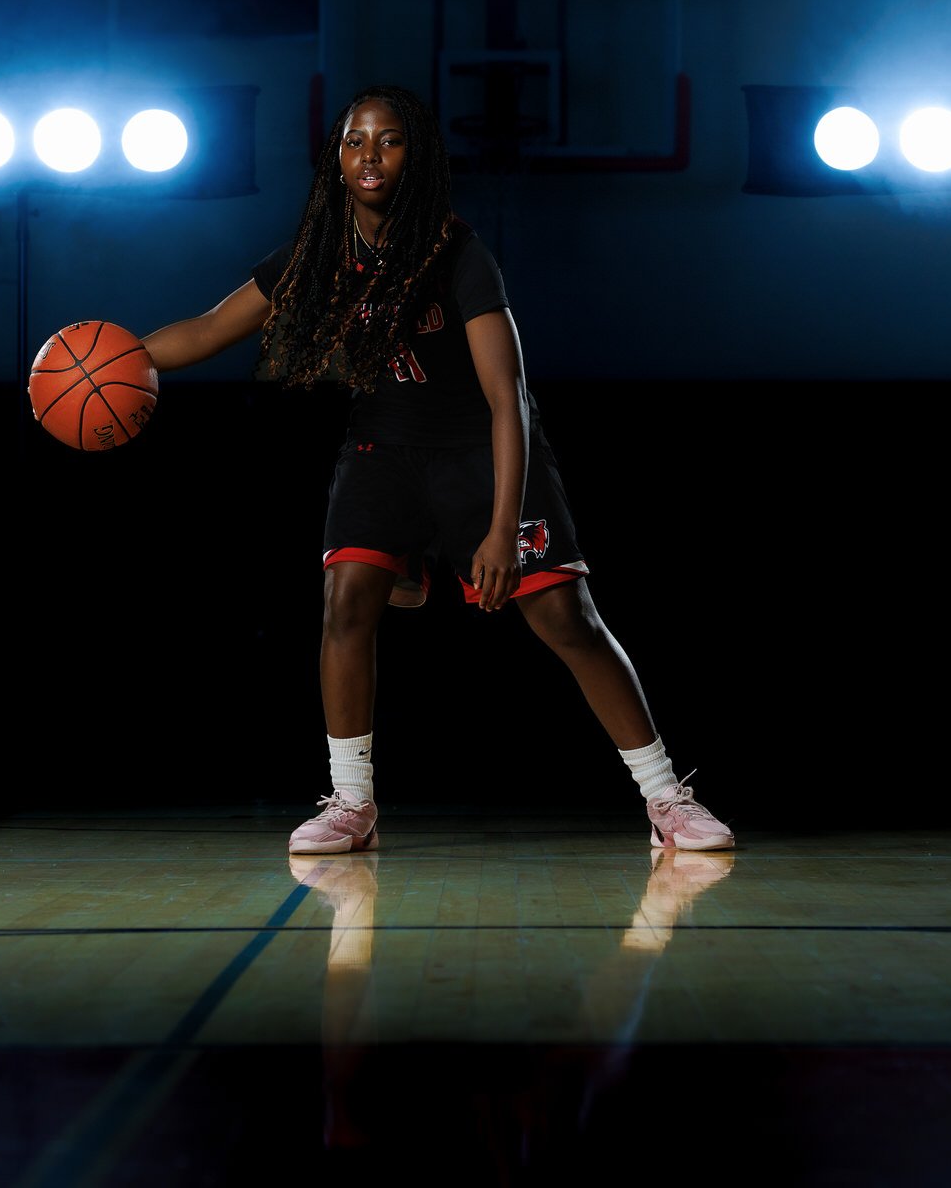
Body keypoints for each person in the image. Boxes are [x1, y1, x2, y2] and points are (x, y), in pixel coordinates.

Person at [138, 84, 733, 855]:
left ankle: (666, 798)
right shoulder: (318, 254)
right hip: (382, 452)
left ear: (414, 155)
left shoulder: (457, 253)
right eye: (355, 141)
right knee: (345, 600)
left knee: (566, 620)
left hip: (479, 454)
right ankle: (352, 802)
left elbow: (506, 398)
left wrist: (498, 529)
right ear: (336, 158)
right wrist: (107, 355)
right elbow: (209, 328)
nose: (369, 156)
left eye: (388, 141)